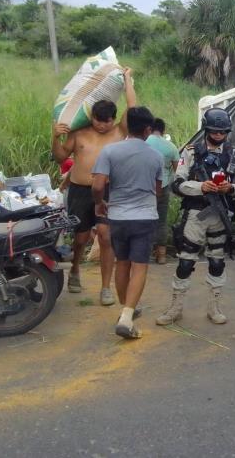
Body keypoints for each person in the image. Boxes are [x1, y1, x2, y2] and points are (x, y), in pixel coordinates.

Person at [51, 68, 136, 305]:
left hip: (110, 191)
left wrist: (128, 79)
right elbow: (59, 158)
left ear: (113, 119)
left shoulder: (120, 131)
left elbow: (132, 107)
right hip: (80, 190)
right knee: (80, 238)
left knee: (107, 237)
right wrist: (54, 136)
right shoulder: (78, 133)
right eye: (98, 121)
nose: (102, 126)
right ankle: (75, 270)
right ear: (92, 117)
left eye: (107, 121)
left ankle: (105, 287)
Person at [156, 108, 235, 326]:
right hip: (196, 213)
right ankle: (175, 308)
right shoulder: (191, 152)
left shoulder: (234, 154)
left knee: (217, 261)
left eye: (222, 132)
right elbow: (177, 184)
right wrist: (201, 186)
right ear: (206, 129)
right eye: (214, 132)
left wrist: (229, 188)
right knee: (186, 262)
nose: (218, 136)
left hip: (222, 213)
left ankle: (214, 307)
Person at [92, 107, 162, 339]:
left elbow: (98, 186)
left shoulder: (109, 151)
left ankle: (126, 311)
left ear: (126, 125)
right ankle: (127, 315)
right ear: (148, 130)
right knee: (139, 266)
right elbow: (158, 190)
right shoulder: (156, 156)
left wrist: (99, 203)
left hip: (117, 217)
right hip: (144, 217)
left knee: (122, 263)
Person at [146, 118, 180, 264]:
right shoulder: (171, 146)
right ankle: (161, 255)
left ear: (149, 128)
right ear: (163, 130)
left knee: (144, 220)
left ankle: (145, 254)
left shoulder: (143, 143)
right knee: (161, 221)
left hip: (144, 188)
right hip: (164, 187)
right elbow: (177, 169)